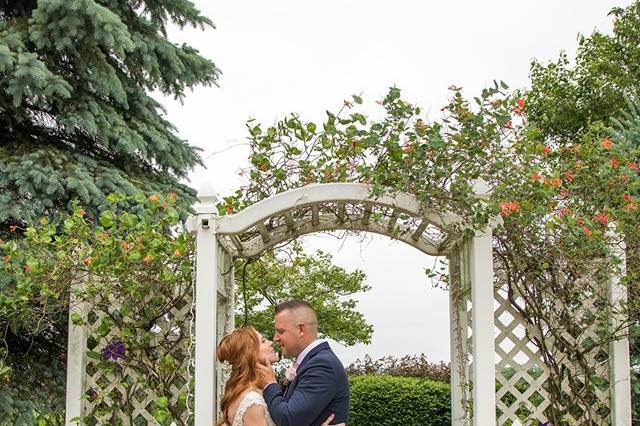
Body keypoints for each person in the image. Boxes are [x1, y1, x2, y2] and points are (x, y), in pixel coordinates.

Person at [216, 326, 343, 426]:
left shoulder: (257, 390)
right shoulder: (252, 401)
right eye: (263, 341)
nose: (271, 342)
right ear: (250, 353)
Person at [258, 300, 350, 426]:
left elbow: (288, 419)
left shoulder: (322, 365)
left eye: (281, 331)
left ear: (301, 329)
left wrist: (270, 383)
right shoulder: (310, 362)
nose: (275, 338)